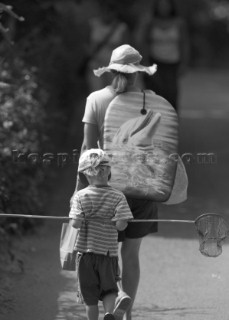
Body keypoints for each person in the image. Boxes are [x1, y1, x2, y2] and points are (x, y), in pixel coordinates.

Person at [71, 44, 178, 320]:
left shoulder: (95, 99)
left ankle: (110, 301)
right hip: (141, 188)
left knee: (103, 253)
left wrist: (79, 193)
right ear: (137, 74)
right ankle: (125, 313)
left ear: (110, 71)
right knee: (131, 255)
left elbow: (87, 149)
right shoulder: (150, 100)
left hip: (104, 190)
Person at [69, 149, 133, 320]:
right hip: (108, 253)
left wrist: (80, 217)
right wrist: (115, 221)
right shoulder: (118, 197)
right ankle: (109, 313)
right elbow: (121, 226)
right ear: (109, 172)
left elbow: (75, 223)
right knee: (109, 289)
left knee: (89, 297)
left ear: (85, 175)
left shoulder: (80, 197)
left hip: (86, 254)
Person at [142, 0, 189, 112]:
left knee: (171, 94)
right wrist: (145, 62)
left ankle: (171, 123)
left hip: (172, 63)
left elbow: (185, 43)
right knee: (154, 94)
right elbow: (143, 42)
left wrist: (184, 63)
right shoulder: (150, 22)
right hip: (155, 62)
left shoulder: (179, 23)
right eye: (161, 6)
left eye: (166, 5)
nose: (163, 8)